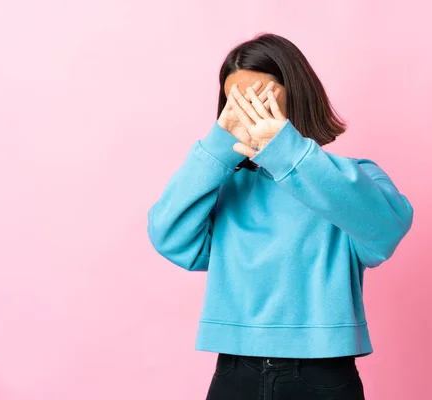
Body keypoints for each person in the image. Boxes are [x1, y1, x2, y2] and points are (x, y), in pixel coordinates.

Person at [147, 33, 414, 400]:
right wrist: (218, 148)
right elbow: (169, 236)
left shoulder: (354, 179)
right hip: (235, 370)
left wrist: (286, 149)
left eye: (262, 97)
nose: (250, 109)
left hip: (323, 371)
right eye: (237, 102)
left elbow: (384, 233)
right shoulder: (224, 188)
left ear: (296, 93)